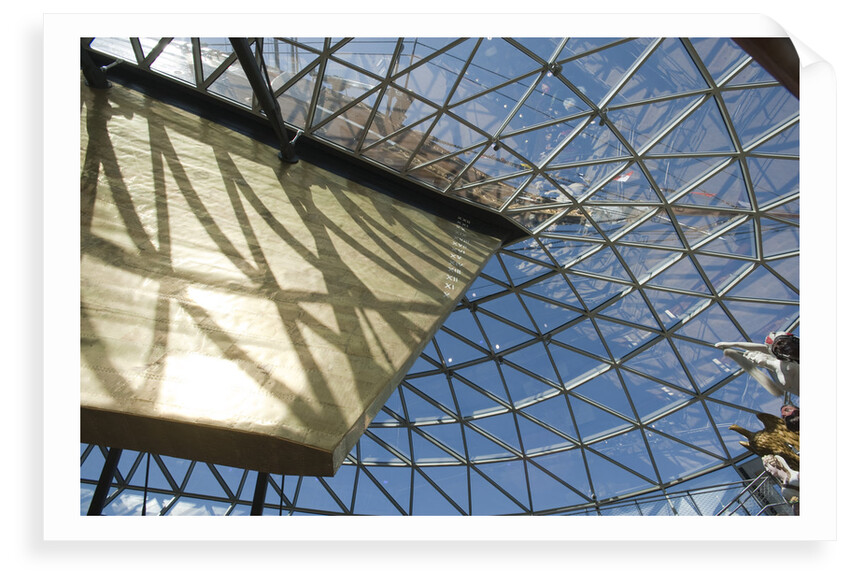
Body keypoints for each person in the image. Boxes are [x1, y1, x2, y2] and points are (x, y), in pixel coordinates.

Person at [715, 331, 799, 397]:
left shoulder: (787, 366)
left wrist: (733, 344)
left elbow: (762, 348)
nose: (782, 347)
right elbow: (765, 350)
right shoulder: (785, 366)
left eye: (781, 343)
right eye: (777, 349)